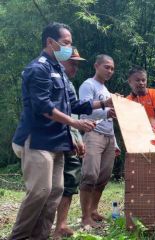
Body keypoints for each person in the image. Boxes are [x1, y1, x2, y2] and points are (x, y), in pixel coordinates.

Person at [10, 22, 112, 240]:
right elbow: (43, 106)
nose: (69, 47)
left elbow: (75, 105)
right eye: (66, 43)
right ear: (50, 42)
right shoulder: (38, 68)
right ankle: (18, 236)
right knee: (40, 191)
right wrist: (75, 124)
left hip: (58, 141)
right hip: (37, 138)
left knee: (55, 192)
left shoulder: (61, 72)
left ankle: (40, 236)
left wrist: (104, 105)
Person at [78, 54, 117, 227]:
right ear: (96, 66)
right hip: (93, 134)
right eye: (106, 67)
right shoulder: (88, 84)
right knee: (90, 175)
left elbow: (111, 118)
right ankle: (85, 217)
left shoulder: (107, 91)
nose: (110, 71)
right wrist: (106, 111)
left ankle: (93, 211)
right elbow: (83, 111)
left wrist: (115, 142)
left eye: (112, 68)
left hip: (108, 136)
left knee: (104, 177)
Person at [53, 47, 86, 238]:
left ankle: (62, 224)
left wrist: (77, 138)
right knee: (49, 186)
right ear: (60, 61)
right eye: (72, 63)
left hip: (70, 139)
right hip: (53, 139)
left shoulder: (70, 85)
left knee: (70, 180)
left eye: (77, 64)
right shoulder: (49, 79)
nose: (75, 68)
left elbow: (73, 113)